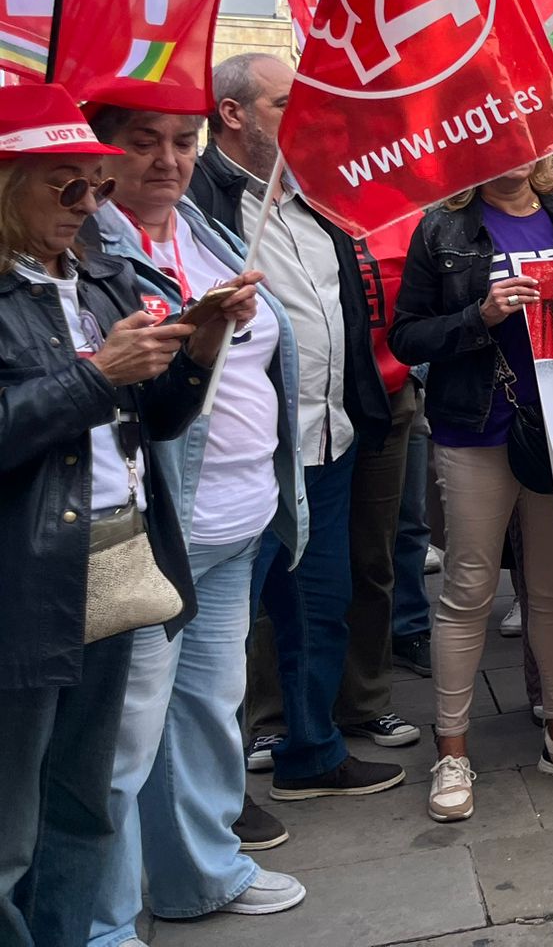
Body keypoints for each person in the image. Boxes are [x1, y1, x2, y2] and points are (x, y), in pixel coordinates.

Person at [0, 84, 251, 945]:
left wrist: (204, 340)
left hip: (117, 564)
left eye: (93, 187)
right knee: (9, 830)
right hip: (27, 585)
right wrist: (95, 376)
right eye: (62, 185)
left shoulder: (100, 278)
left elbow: (159, 422)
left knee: (83, 803)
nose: (84, 205)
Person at [86, 105, 310, 935]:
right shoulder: (89, 252)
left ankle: (201, 873)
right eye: (142, 144)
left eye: (182, 144)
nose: (167, 162)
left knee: (207, 710)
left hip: (234, 522)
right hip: (149, 540)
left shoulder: (199, 228)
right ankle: (99, 921)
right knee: (121, 743)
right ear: (99, 153)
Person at [388, 157, 553, 823]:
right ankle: (452, 749)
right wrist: (480, 314)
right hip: (478, 429)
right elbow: (407, 333)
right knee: (469, 589)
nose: (512, 152)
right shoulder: (443, 228)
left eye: (522, 139)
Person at [191, 53, 406, 801]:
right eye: (285, 103)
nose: (303, 118)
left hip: (332, 442)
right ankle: (215, 803)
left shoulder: (314, 202)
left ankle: (313, 751)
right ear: (233, 113)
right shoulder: (199, 207)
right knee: (221, 634)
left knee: (321, 604)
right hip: (247, 458)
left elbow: (342, 314)